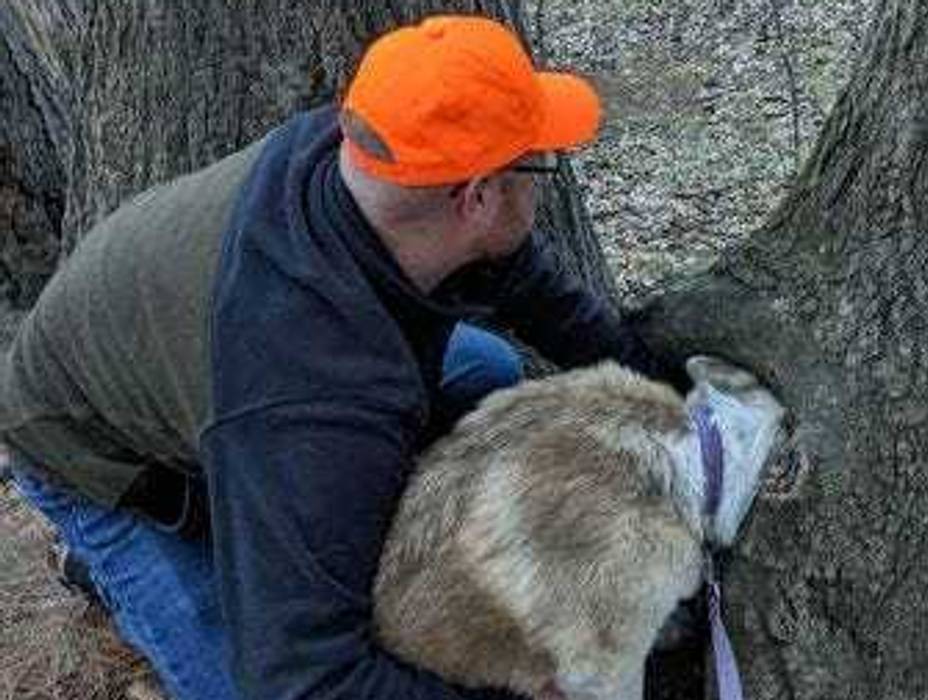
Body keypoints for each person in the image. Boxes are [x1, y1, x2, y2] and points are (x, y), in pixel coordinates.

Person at [0, 14, 686, 700]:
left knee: (488, 371)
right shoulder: (311, 399)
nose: (543, 183)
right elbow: (306, 679)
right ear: (476, 196)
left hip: (208, 383)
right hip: (93, 454)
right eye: (537, 163)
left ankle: (249, 540)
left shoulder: (373, 165)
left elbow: (527, 282)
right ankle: (122, 564)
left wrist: (673, 401)